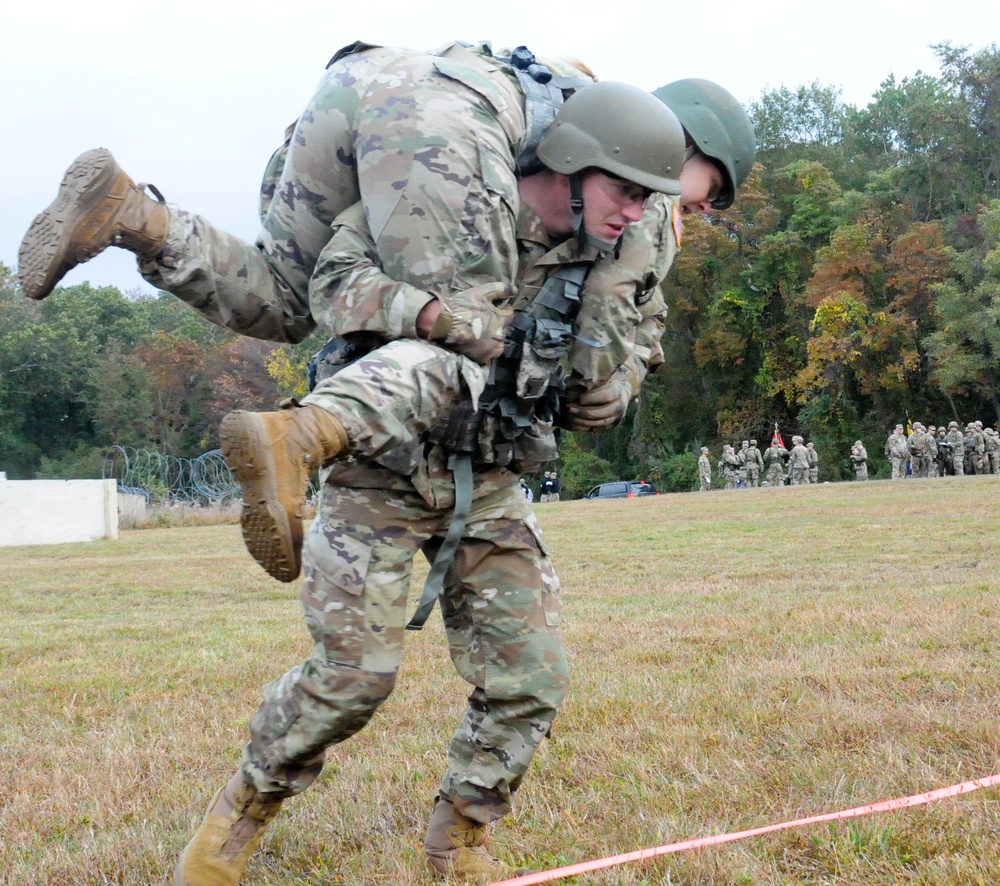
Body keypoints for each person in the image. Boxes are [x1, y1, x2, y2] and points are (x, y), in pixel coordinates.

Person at [20, 49, 756, 886]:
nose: (665, 207)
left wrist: (607, 368)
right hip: (379, 459)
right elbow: (335, 282)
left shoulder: (629, 252)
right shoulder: (445, 185)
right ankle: (236, 820)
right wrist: (446, 317)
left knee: (532, 677)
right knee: (349, 681)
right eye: (666, 188)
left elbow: (617, 377)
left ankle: (462, 843)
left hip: (489, 478)